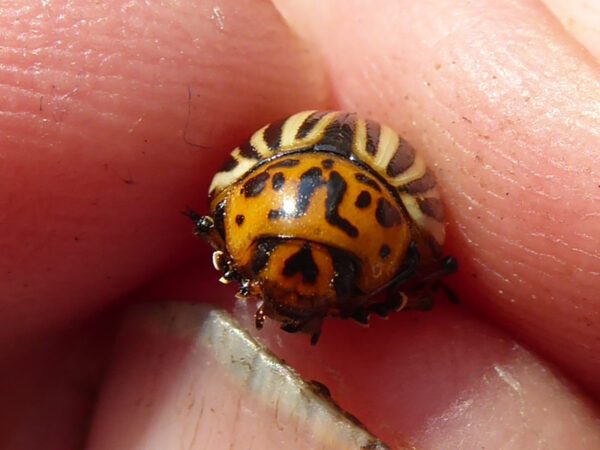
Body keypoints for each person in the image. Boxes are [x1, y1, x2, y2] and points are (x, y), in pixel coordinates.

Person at [2, 0, 599, 448]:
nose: (289, 301)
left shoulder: (269, 225)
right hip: (306, 180)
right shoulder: (348, 246)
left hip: (312, 177)